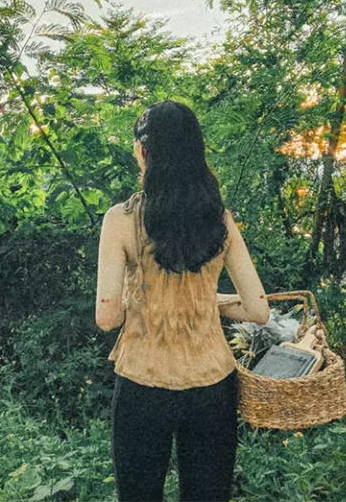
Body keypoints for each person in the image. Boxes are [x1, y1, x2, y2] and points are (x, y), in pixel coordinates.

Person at [96, 100, 269, 502]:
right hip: (212, 386)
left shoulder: (120, 220)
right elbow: (258, 309)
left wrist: (135, 298)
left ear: (143, 152)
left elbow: (107, 317)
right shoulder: (220, 220)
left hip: (143, 383)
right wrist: (208, 302)